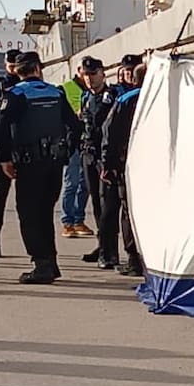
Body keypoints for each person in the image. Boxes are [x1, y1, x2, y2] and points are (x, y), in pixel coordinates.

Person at [0, 51, 83, 284]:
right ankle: (50, 262)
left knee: (29, 214)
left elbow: (1, 128)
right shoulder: (56, 92)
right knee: (45, 213)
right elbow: (75, 125)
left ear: (18, 71)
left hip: (29, 163)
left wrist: (4, 159)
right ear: (37, 68)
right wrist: (67, 151)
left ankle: (41, 264)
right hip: (54, 163)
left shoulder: (14, 94)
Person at [101, 62, 145, 277]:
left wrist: (107, 165)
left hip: (128, 165)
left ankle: (134, 259)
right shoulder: (164, 95)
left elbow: (110, 133)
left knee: (129, 212)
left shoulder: (126, 99)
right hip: (159, 166)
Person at [78, 56, 120, 268]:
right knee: (95, 202)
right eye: (86, 75)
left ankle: (110, 252)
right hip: (89, 155)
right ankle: (102, 244)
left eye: (93, 74)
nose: (90, 78)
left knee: (108, 205)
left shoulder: (112, 96)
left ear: (103, 74)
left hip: (105, 157)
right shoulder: (86, 97)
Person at [0, 48, 23, 256]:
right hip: (2, 145)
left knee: (26, 199)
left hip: (23, 145)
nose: (12, 67)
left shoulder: (25, 85)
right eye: (9, 63)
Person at [58, 62, 94, 239]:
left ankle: (79, 220)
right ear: (78, 71)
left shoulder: (92, 91)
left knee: (84, 184)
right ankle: (67, 222)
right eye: (84, 72)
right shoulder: (64, 88)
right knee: (71, 183)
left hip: (87, 142)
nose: (87, 76)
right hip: (72, 142)